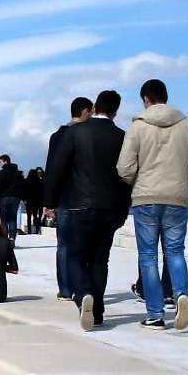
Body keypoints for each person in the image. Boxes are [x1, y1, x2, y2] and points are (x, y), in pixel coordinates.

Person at [117, 78, 188, 331]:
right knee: (175, 251)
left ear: (145, 99)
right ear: (165, 97)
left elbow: (124, 167)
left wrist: (137, 181)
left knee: (148, 257)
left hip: (145, 198)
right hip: (177, 198)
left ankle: (155, 315)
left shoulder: (137, 127)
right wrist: (186, 178)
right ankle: (181, 294)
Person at [45, 90, 130, 331]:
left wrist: (50, 201)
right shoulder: (122, 137)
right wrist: (124, 208)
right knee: (100, 260)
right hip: (110, 206)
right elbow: (127, 175)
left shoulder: (74, 132)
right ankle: (98, 311)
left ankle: (83, 295)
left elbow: (57, 169)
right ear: (116, 110)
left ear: (94, 108)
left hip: (76, 204)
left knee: (75, 255)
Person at [45, 96, 94, 300]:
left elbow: (51, 170)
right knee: (83, 244)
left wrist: (49, 201)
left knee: (63, 244)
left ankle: (65, 289)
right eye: (91, 112)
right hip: (83, 197)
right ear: (84, 111)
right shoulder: (87, 134)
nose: (92, 116)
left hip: (63, 197)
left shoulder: (57, 136)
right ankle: (82, 288)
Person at [0, 154, 24, 243]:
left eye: (0, 162)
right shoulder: (18, 173)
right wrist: (22, 197)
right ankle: (12, 239)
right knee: (13, 219)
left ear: (5, 161)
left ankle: (4, 240)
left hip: (4, 198)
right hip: (15, 198)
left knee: (4, 220)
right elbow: (22, 186)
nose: (0, 164)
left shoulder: (2, 172)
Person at [24, 167, 45, 235]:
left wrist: (24, 199)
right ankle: (37, 229)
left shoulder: (26, 181)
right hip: (36, 200)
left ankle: (29, 231)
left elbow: (23, 191)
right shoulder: (38, 181)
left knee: (29, 216)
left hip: (28, 201)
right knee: (35, 215)